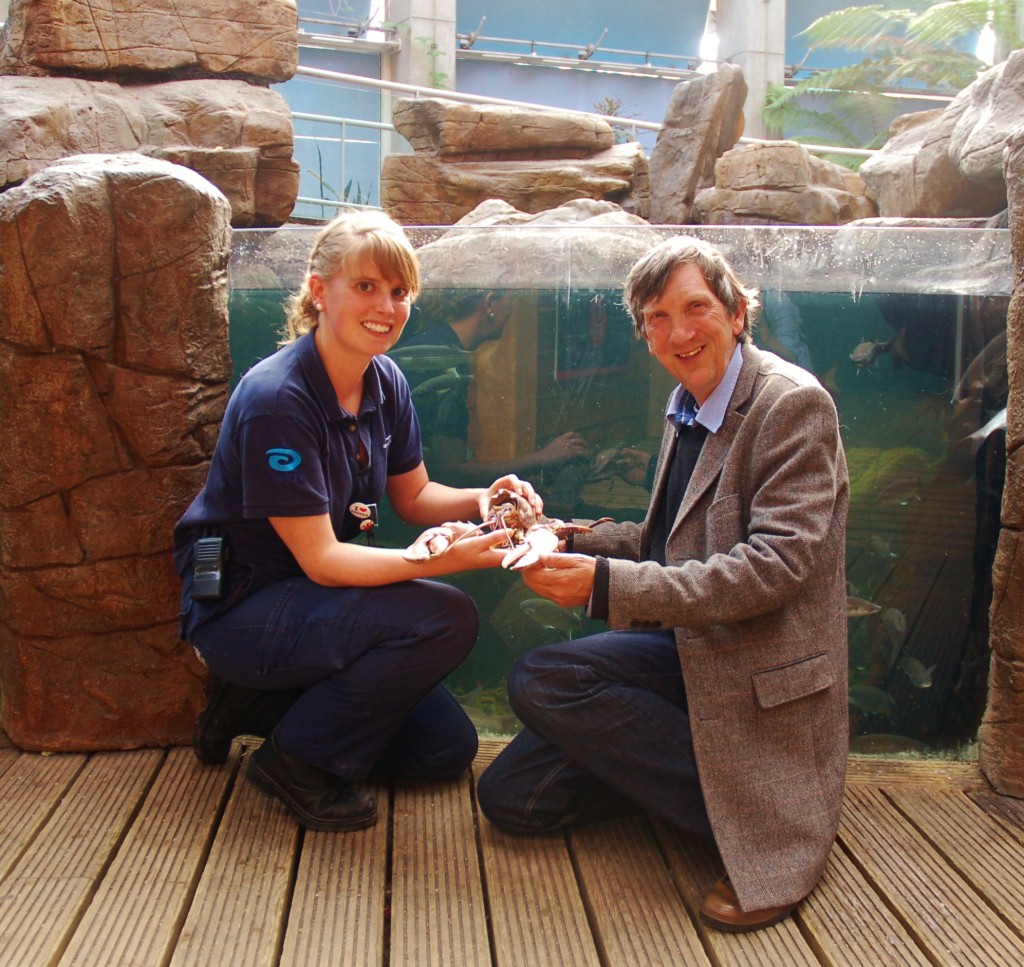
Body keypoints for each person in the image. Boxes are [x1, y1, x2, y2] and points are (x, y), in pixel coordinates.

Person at [476, 235, 849, 933]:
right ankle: (706, 791)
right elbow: (666, 544)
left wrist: (604, 586)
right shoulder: (688, 402)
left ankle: (768, 819)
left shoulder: (793, 405)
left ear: (737, 313)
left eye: (695, 307)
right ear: (644, 334)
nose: (679, 333)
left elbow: (772, 568)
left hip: (753, 666)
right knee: (513, 797)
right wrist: (560, 535)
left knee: (540, 677)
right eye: (657, 317)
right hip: (691, 649)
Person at [174, 210, 541, 833]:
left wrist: (483, 498)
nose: (386, 307)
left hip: (316, 604)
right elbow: (322, 559)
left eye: (399, 291)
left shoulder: (385, 379)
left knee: (443, 751)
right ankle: (294, 764)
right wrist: (440, 561)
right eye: (366, 286)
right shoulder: (277, 400)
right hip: (243, 610)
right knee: (445, 615)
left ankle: (255, 708)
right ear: (319, 291)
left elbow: (415, 496)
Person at [393, 288, 591, 490]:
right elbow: (450, 474)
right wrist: (544, 457)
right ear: (490, 304)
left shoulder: (439, 343)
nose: (512, 309)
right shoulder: (444, 361)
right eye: (511, 300)